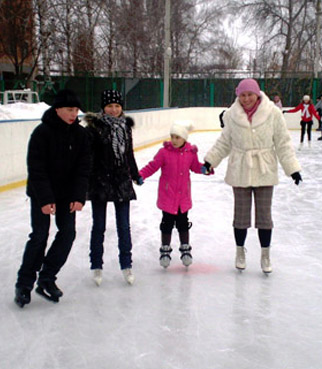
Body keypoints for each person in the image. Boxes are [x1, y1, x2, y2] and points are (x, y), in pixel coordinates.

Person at [203, 79, 302, 274]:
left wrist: (292, 168)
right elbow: (224, 142)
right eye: (242, 95)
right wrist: (210, 161)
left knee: (264, 217)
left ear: (257, 94)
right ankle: (240, 251)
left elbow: (283, 142)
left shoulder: (273, 113)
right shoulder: (232, 115)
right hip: (240, 168)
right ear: (238, 95)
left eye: (250, 94)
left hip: (264, 169)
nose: (246, 99)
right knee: (240, 216)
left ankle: (265, 255)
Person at [14, 89, 90, 308]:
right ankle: (24, 283)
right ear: (57, 109)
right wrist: (46, 199)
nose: (73, 114)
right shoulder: (42, 133)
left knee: (68, 234)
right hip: (42, 194)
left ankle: (47, 278)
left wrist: (79, 196)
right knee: (39, 235)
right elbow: (36, 169)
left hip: (68, 196)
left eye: (76, 110)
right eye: (69, 109)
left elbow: (83, 168)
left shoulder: (81, 135)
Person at [82, 90, 142, 286]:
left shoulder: (125, 127)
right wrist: (85, 181)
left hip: (121, 181)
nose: (114, 110)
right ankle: (96, 265)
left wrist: (135, 174)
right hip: (100, 181)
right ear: (103, 107)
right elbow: (88, 158)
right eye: (110, 106)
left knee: (124, 226)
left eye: (117, 106)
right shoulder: (94, 128)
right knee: (99, 226)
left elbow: (128, 154)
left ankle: (126, 264)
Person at [138, 121, 211, 269]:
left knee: (183, 223)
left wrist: (205, 169)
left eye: (178, 137)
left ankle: (185, 249)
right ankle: (165, 249)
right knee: (167, 224)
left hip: (183, 197)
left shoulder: (190, 153)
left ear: (184, 138)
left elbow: (195, 166)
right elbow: (153, 166)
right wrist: (141, 175)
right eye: (173, 137)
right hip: (168, 197)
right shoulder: (164, 153)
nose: (175, 140)